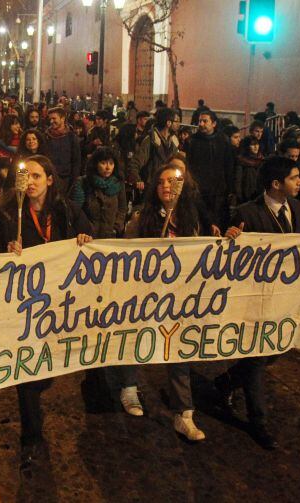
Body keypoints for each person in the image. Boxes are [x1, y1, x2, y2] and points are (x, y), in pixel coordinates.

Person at [215, 156, 300, 449]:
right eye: (295, 177)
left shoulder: (298, 209)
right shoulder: (246, 213)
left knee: (276, 350)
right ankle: (258, 421)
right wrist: (230, 239)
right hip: (255, 301)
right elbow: (226, 260)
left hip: (286, 300)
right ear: (277, 184)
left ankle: (225, 382)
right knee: (257, 358)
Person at [0, 155, 93, 468]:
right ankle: (31, 438)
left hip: (61, 307)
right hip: (24, 309)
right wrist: (5, 252)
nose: (30, 181)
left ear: (49, 179)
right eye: (25, 176)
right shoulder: (7, 215)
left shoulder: (67, 211)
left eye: (36, 175)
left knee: (47, 373)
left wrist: (85, 239)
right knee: (28, 375)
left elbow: (90, 240)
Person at [117, 165, 240, 439]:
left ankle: (184, 413)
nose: (166, 187)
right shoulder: (142, 218)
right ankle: (129, 389)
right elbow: (124, 255)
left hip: (179, 298)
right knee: (137, 340)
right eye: (160, 182)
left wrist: (225, 241)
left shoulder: (190, 217)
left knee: (178, 349)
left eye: (172, 182)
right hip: (146, 296)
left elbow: (202, 250)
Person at [185, 110, 235, 230]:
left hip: (219, 192)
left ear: (214, 123)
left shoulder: (223, 140)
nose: (201, 124)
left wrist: (231, 189)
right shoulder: (192, 141)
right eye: (200, 121)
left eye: (205, 121)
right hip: (200, 192)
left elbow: (229, 165)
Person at [70, 147, 127, 238]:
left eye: (111, 163)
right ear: (95, 164)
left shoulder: (118, 183)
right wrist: (84, 231)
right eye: (103, 163)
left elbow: (122, 208)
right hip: (88, 237)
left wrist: (116, 228)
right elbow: (74, 211)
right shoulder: (83, 183)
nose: (108, 167)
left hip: (111, 237)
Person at [128, 107, 180, 188]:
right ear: (168, 123)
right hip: (152, 187)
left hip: (167, 187)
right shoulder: (150, 141)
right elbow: (135, 163)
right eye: (176, 121)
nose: (179, 124)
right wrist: (138, 180)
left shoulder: (174, 142)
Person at [46, 107, 81, 192]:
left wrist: (73, 181)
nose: (51, 121)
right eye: (50, 119)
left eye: (54, 118)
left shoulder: (71, 137)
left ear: (62, 118)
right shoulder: (46, 136)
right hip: (48, 179)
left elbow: (76, 161)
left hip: (65, 180)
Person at [235, 136, 264, 203]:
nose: (256, 147)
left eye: (257, 144)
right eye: (252, 145)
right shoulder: (242, 160)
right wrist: (239, 195)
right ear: (247, 146)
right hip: (247, 195)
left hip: (260, 194)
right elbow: (238, 180)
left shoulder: (262, 159)